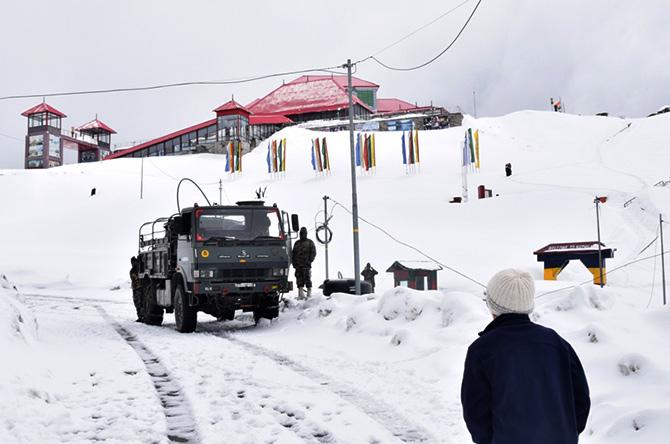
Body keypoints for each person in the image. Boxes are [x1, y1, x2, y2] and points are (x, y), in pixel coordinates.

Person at [461, 269, 590, 444]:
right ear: (528, 305)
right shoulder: (557, 344)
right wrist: (566, 433)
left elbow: (476, 413)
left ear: (491, 304)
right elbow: (581, 400)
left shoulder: (482, 350)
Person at [292, 227, 316, 299]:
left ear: (306, 234)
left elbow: (313, 253)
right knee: (299, 279)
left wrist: (309, 261)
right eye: (301, 233)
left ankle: (309, 294)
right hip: (298, 265)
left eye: (304, 233)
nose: (302, 234)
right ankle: (300, 294)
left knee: (307, 278)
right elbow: (293, 254)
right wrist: (294, 263)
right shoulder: (297, 243)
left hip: (306, 265)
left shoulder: (310, 242)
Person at [130, 256, 143, 322]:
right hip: (138, 288)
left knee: (138, 303)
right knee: (139, 303)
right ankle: (141, 316)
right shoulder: (137, 269)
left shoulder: (134, 270)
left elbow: (135, 279)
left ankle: (141, 316)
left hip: (137, 288)